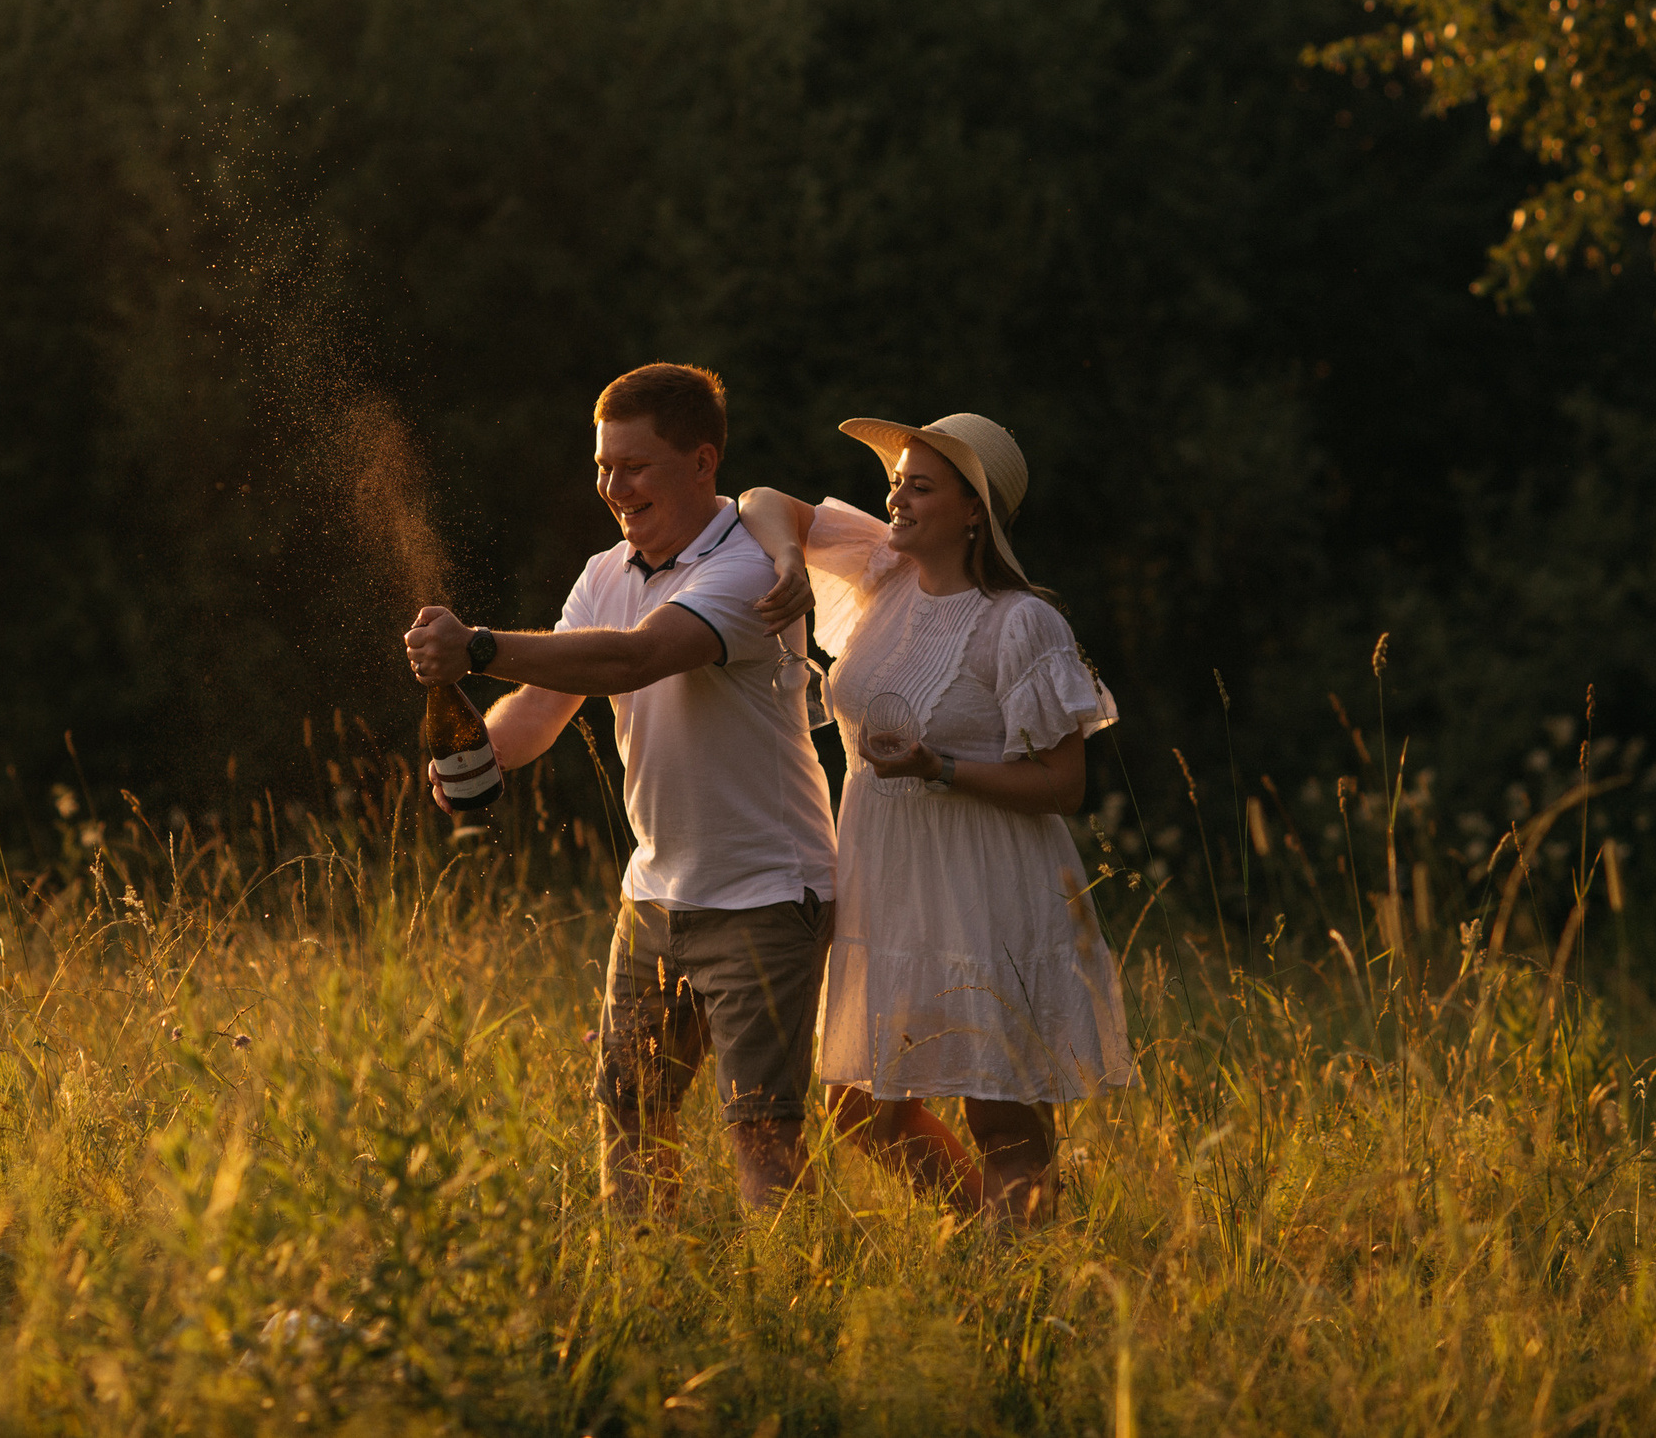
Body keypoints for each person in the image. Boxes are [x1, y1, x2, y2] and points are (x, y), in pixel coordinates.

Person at [402, 364, 838, 1216]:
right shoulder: (607, 570)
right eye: (603, 465)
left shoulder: (749, 570)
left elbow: (632, 658)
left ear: (702, 461)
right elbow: (544, 705)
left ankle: (801, 1313)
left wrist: (479, 647)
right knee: (629, 1114)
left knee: (762, 1132)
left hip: (766, 894)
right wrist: (476, 755)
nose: (612, 486)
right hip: (655, 897)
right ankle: (649, 1291)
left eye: (634, 466)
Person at [738, 413, 1136, 1226]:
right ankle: (996, 1224)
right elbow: (761, 500)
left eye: (920, 486)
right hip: (885, 878)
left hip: (987, 879)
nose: (897, 497)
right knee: (858, 1105)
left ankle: (1019, 1272)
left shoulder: (1020, 622)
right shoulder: (883, 574)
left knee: (1001, 1109)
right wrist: (787, 561)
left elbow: (1063, 783)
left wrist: (941, 767)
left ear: (972, 511)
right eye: (897, 482)